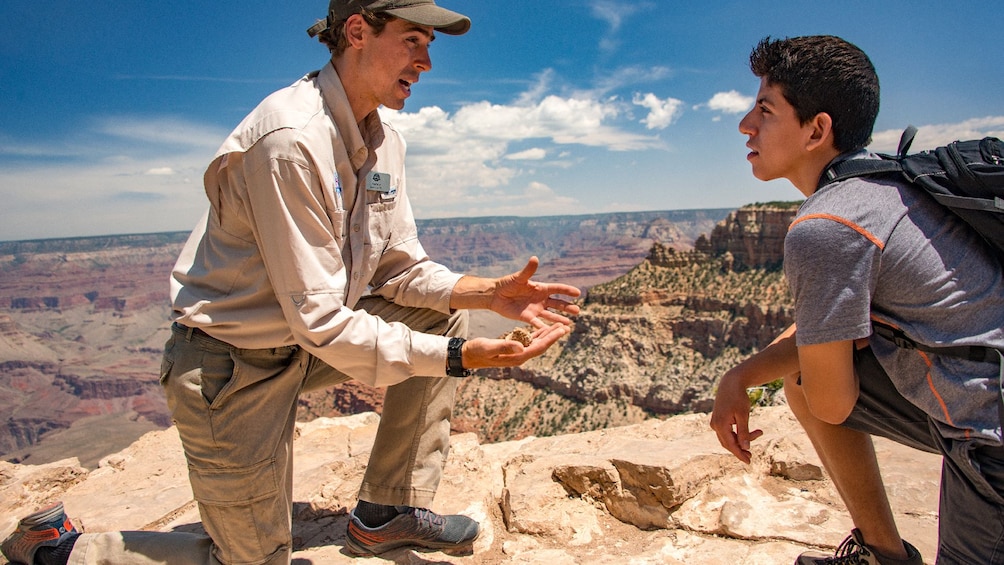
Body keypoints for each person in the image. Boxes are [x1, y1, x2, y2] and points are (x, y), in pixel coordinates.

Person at [1, 1, 582, 564]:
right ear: (357, 31)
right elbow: (324, 322)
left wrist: (485, 294)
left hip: (302, 347)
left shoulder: (383, 139)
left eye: (429, 46)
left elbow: (398, 269)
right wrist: (459, 358)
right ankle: (60, 549)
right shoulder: (290, 141)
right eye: (412, 40)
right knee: (253, 562)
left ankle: (386, 513)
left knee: (442, 315)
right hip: (232, 367)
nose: (426, 62)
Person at [710, 35, 1004, 565]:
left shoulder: (825, 227)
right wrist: (739, 376)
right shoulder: (890, 183)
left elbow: (832, 402)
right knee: (801, 362)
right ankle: (882, 554)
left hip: (990, 436)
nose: (745, 124)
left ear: (817, 130)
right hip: (983, 391)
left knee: (809, 373)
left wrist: (817, 349)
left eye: (765, 109)